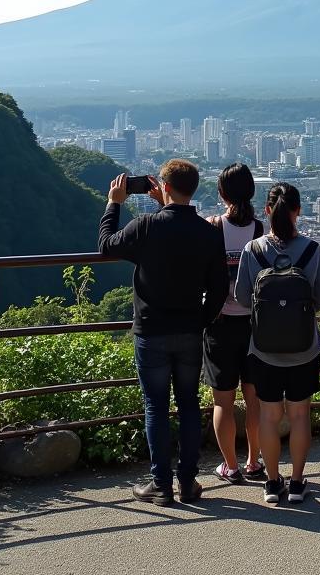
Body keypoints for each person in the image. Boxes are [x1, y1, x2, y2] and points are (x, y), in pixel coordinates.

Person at [99, 160, 228, 505]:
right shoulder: (209, 233)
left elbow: (107, 245)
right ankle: (187, 483)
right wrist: (202, 319)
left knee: (155, 406)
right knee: (188, 404)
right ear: (193, 189)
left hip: (151, 330)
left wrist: (115, 202)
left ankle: (161, 484)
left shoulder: (146, 226)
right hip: (189, 330)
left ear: (165, 188)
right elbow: (219, 288)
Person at [234, 183, 320, 506]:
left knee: (269, 416)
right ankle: (298, 482)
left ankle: (273, 483)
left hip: (263, 349)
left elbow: (242, 297)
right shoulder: (311, 249)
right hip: (304, 348)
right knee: (301, 415)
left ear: (267, 211)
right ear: (298, 211)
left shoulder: (253, 250)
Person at [205, 163, 265, 485]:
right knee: (253, 398)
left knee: (223, 401)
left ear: (222, 193)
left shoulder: (212, 226)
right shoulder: (260, 231)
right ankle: (254, 461)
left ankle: (230, 466)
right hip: (254, 325)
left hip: (219, 323)